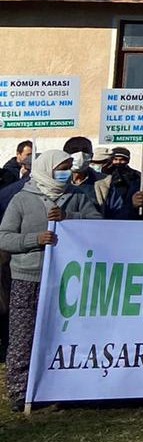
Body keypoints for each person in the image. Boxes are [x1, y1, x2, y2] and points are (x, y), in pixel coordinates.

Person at [0, 149, 71, 410]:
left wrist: (69, 220)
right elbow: (4, 236)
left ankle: (54, 387)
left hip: (65, 278)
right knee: (22, 335)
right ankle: (20, 391)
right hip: (26, 277)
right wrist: (34, 240)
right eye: (61, 168)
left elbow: (96, 225)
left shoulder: (76, 197)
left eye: (69, 167)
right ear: (46, 169)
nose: (66, 173)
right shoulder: (22, 199)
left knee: (56, 335)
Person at [93, 146, 143, 220]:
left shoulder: (135, 175)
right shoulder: (102, 177)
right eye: (115, 159)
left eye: (122, 160)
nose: (118, 162)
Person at [60, 136, 103, 219]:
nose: (81, 155)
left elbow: (115, 213)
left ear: (92, 155)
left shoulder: (105, 183)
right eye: (74, 151)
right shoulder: (56, 181)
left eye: (85, 151)